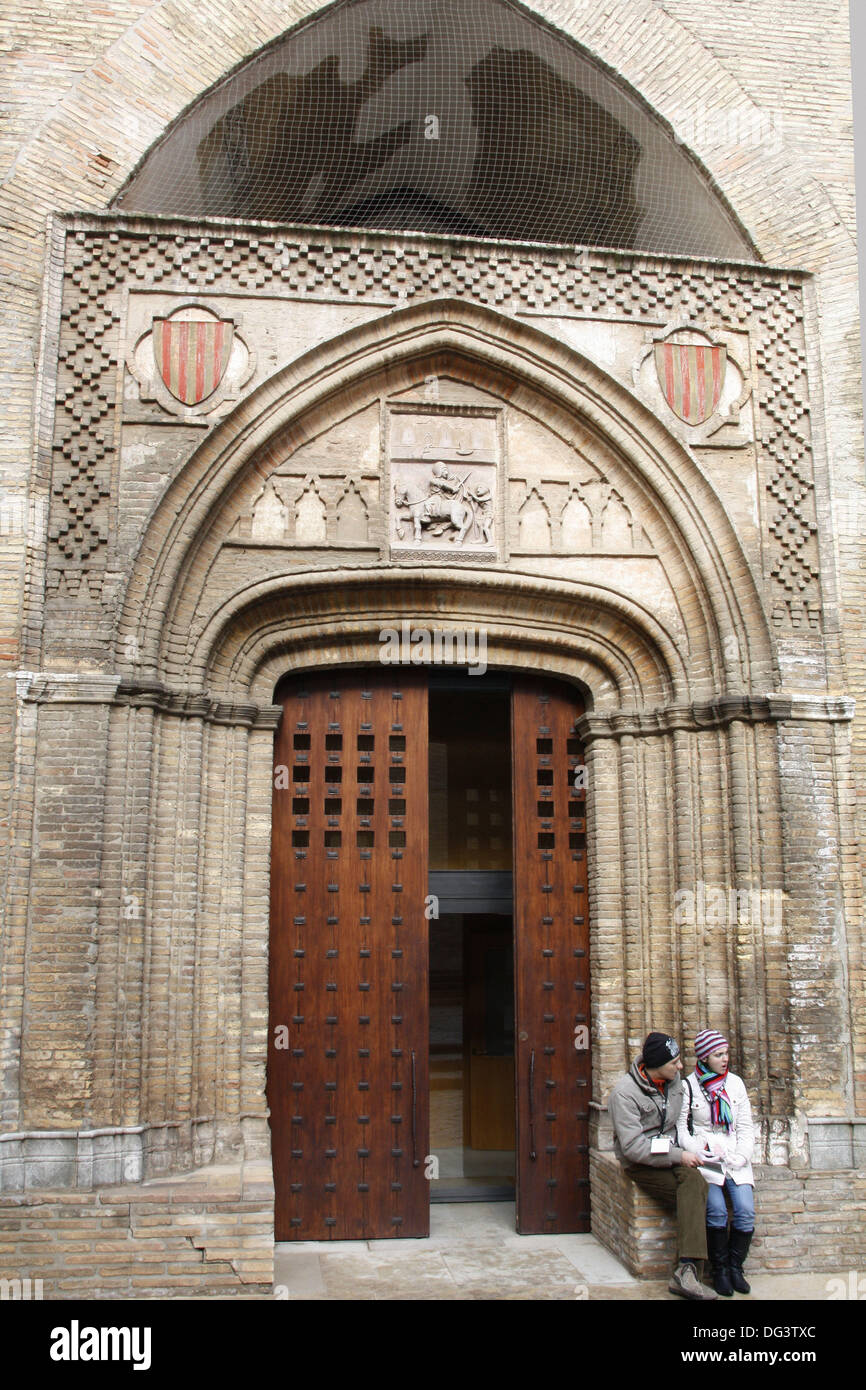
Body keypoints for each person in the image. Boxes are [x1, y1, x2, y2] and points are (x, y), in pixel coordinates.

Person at [607, 1031, 716, 1300]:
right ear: (655, 1065)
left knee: (696, 1183)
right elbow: (633, 1147)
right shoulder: (625, 1093)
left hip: (673, 1153)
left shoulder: (675, 1082)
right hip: (642, 1163)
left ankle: (687, 1270)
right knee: (693, 1191)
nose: (680, 1067)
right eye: (674, 1063)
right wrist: (679, 1156)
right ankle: (691, 1273)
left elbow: (681, 1122)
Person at [677, 1028, 756, 1296]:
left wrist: (742, 1155)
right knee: (717, 1211)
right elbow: (682, 1128)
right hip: (707, 1159)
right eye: (718, 1054)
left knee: (745, 1211)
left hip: (735, 1157)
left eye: (726, 1053)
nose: (724, 1059)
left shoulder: (735, 1084)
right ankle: (720, 1270)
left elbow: (745, 1125)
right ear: (704, 1057)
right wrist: (699, 1151)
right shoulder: (689, 1085)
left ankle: (736, 1267)